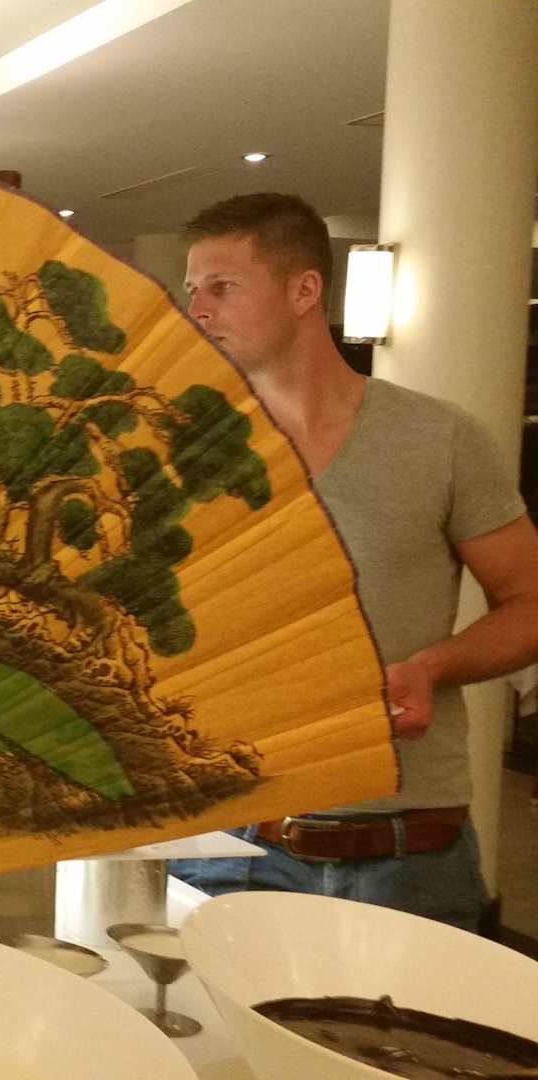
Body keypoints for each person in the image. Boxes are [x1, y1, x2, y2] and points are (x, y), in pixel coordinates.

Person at [166, 192, 538, 931]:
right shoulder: (178, 450)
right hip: (226, 842)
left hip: (406, 849)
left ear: (304, 290)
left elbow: (529, 600)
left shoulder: (439, 439)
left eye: (223, 287)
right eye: (192, 289)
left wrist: (432, 668)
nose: (197, 309)